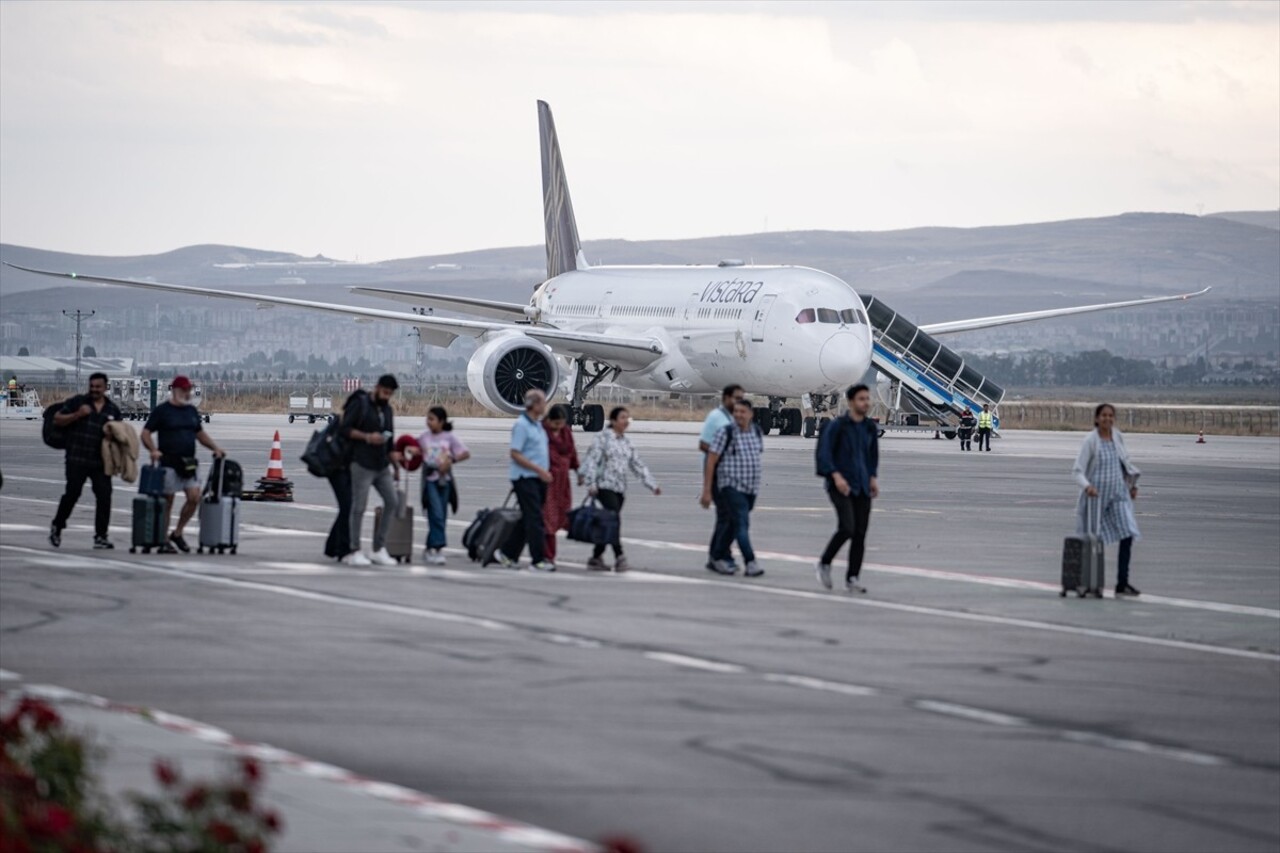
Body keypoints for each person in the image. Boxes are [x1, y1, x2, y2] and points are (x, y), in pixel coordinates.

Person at [140, 376, 226, 554]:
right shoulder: (162, 411)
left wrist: (215, 447)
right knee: (168, 501)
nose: (187, 393)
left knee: (194, 497)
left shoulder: (191, 412)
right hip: (168, 463)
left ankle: (177, 533)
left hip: (188, 464)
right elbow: (146, 433)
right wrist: (153, 450)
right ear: (175, 390)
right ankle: (163, 539)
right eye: (184, 390)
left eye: (189, 390)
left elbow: (200, 434)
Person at [814, 383, 880, 593]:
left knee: (860, 533)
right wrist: (835, 476)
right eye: (861, 399)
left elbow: (872, 456)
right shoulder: (838, 426)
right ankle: (824, 562)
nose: (866, 403)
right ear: (851, 402)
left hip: (861, 485)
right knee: (847, 527)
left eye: (867, 398)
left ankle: (853, 577)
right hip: (839, 485)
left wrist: (872, 478)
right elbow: (824, 453)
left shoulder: (869, 427)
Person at [1073, 403, 1143, 596]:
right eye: (1103, 416)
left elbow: (1125, 463)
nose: (1107, 419)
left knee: (1127, 533)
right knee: (1094, 539)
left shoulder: (1117, 437)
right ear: (1097, 419)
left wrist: (1132, 486)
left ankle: (1122, 582)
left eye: (1110, 416)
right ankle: (1091, 582)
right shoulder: (1091, 441)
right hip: (1096, 497)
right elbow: (1077, 471)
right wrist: (1088, 487)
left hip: (1118, 494)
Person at [580, 406, 661, 571]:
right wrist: (591, 483)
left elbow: (637, 465)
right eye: (623, 418)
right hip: (603, 486)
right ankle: (620, 557)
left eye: (627, 418)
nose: (626, 421)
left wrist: (652, 484)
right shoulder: (602, 439)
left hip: (619, 489)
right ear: (614, 421)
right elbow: (591, 461)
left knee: (608, 523)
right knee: (614, 521)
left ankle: (596, 557)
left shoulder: (626, 442)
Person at [49, 372, 124, 550]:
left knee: (105, 497)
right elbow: (57, 419)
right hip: (77, 458)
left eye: (98, 387)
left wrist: (112, 435)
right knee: (72, 494)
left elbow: (121, 435)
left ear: (105, 387)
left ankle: (101, 536)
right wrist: (76, 415)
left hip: (100, 462)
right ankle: (57, 526)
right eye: (92, 386)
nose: (94, 390)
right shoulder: (78, 402)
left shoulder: (112, 410)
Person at [340, 374, 404, 567]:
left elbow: (390, 439)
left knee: (392, 502)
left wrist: (395, 465)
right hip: (361, 463)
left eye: (390, 394)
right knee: (358, 507)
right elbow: (345, 429)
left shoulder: (388, 410)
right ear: (377, 387)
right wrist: (368, 437)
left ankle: (378, 548)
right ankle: (354, 550)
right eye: (385, 392)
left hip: (382, 464)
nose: (386, 396)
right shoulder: (360, 404)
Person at [700, 398, 765, 577]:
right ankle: (750, 561)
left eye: (742, 412)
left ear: (751, 414)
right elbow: (711, 459)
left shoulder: (756, 432)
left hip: (750, 489)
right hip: (730, 486)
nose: (738, 415)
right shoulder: (725, 433)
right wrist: (707, 489)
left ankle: (716, 556)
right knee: (741, 524)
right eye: (736, 412)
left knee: (731, 524)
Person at [495, 388, 556, 571]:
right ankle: (538, 560)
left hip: (538, 479)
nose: (545, 406)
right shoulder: (521, 425)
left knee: (527, 518)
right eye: (543, 402)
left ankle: (507, 553)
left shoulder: (537, 425)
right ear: (535, 405)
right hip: (525, 478)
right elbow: (515, 453)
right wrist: (539, 469)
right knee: (535, 519)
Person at [699, 384, 745, 572]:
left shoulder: (735, 418)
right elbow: (704, 446)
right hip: (718, 473)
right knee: (728, 517)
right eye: (735, 398)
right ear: (725, 398)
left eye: (741, 398)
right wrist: (707, 489)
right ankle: (719, 556)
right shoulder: (716, 418)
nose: (738, 401)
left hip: (732, 475)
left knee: (728, 518)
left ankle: (719, 555)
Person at [417, 405, 470, 565]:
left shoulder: (449, 437)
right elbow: (418, 452)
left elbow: (465, 453)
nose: (428, 422)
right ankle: (438, 548)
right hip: (430, 480)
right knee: (436, 513)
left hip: (444, 480)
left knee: (440, 516)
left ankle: (429, 547)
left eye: (432, 419)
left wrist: (451, 460)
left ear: (441, 422)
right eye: (427, 419)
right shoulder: (424, 437)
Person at [541, 404, 579, 565]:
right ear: (549, 421)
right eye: (555, 424)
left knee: (562, 515)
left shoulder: (566, 432)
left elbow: (572, 454)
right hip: (547, 481)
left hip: (563, 483)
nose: (558, 427)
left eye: (561, 423)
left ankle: (547, 554)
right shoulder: (541, 433)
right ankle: (547, 555)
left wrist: (579, 472)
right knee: (549, 519)